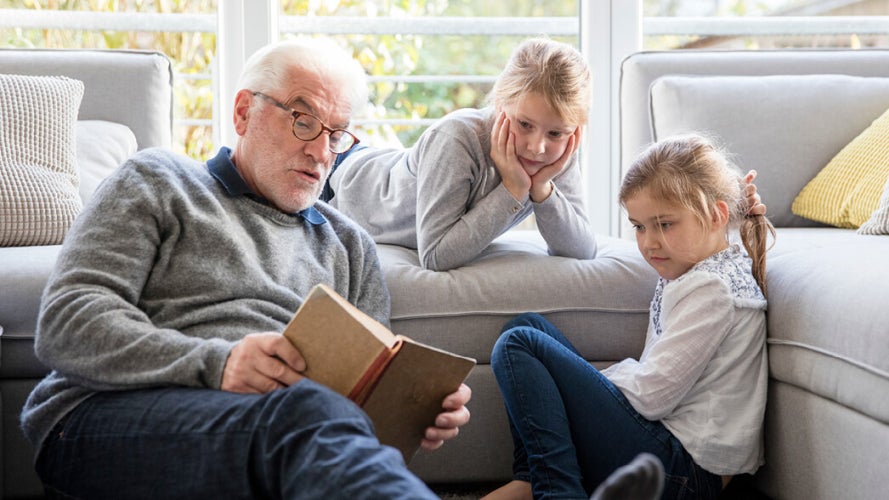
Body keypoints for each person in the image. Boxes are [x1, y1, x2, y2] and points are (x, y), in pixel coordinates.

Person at [21, 37, 471, 500]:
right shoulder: (158, 180)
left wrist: (410, 411)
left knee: (307, 420)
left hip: (276, 434)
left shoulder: (349, 245)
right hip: (106, 417)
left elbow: (357, 411)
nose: (322, 153)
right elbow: (66, 324)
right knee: (301, 414)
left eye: (336, 134)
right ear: (243, 112)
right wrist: (220, 364)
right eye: (303, 121)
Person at [483, 133, 775, 500]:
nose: (649, 242)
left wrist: (591, 379)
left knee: (518, 344)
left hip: (684, 473)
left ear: (716, 215)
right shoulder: (693, 270)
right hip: (669, 455)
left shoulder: (713, 289)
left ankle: (557, 491)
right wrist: (580, 381)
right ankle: (533, 478)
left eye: (664, 224)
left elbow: (652, 396)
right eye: (639, 226)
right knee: (526, 326)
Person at [325, 37, 597, 271]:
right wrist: (513, 190)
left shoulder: (556, 155)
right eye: (525, 125)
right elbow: (435, 256)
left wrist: (542, 190)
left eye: (555, 133)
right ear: (500, 103)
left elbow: (582, 250)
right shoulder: (456, 138)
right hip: (336, 177)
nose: (537, 148)